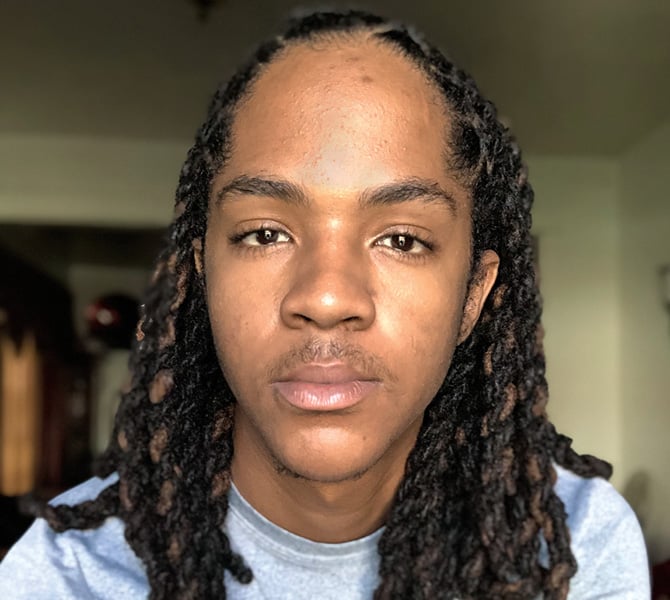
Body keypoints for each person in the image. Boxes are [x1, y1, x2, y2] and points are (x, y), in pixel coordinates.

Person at [0, 10, 649, 599]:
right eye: (265, 234)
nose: (328, 298)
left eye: (402, 239)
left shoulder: (571, 548)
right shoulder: (68, 575)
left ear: (473, 294)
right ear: (203, 274)